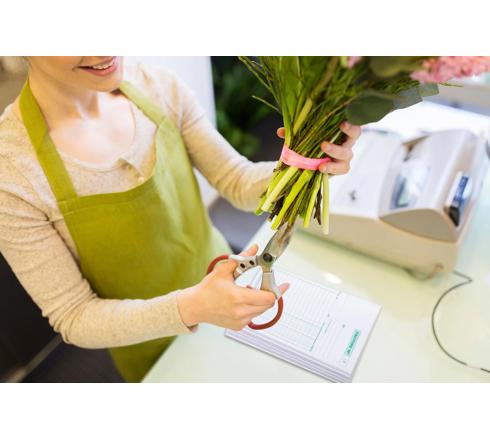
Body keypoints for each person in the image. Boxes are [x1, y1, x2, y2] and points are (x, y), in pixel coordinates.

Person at [0, 56, 360, 382]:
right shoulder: (12, 170)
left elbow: (235, 180)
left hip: (235, 285)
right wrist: (194, 306)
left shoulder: (159, 86)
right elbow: (75, 316)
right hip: (152, 343)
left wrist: (307, 164)